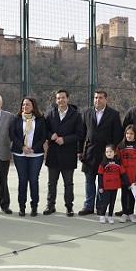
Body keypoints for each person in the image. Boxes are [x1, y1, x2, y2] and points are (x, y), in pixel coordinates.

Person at [79, 90, 123, 216]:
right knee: (89, 181)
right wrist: (79, 151)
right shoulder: (87, 112)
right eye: (96, 97)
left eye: (101, 98)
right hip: (89, 154)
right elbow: (82, 134)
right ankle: (88, 206)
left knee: (103, 182)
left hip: (106, 155)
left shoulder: (114, 114)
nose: (98, 100)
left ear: (106, 99)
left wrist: (112, 153)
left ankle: (100, 207)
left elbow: (117, 135)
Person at [43, 89, 84, 217]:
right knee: (51, 183)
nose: (61, 100)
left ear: (68, 99)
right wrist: (51, 136)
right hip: (53, 154)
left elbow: (80, 134)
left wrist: (65, 140)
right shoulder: (50, 114)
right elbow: (44, 131)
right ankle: (50, 205)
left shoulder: (76, 115)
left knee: (68, 183)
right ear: (56, 100)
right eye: (58, 98)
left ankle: (69, 207)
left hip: (68, 154)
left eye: (63, 98)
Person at [10, 97, 47, 217]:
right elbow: (13, 135)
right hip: (20, 154)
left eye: (28, 105)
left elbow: (43, 136)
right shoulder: (16, 119)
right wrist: (22, 147)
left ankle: (34, 206)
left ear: (33, 106)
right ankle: (22, 206)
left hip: (36, 155)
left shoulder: (40, 119)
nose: (25, 107)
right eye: (23, 105)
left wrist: (33, 149)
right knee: (22, 180)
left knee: (33, 180)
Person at [97, 145, 130, 224]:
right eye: (107, 152)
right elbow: (100, 175)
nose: (108, 153)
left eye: (110, 151)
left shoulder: (118, 163)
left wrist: (128, 183)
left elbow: (123, 174)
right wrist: (100, 186)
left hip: (114, 187)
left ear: (115, 153)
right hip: (106, 187)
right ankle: (102, 215)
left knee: (112, 202)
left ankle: (110, 216)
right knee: (105, 202)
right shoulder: (103, 163)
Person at [117, 124, 136, 223]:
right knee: (124, 194)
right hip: (123, 176)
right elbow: (118, 162)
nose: (129, 135)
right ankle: (124, 213)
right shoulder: (120, 146)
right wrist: (122, 175)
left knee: (132, 195)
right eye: (127, 133)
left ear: (135, 135)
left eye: (131, 133)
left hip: (133, 177)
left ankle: (131, 213)